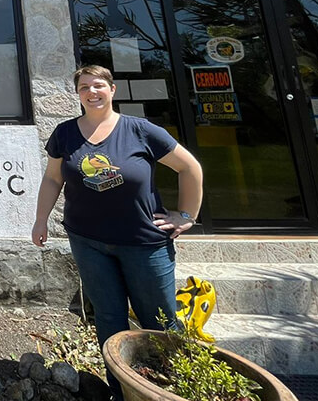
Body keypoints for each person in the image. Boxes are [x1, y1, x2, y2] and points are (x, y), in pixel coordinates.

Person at [32, 64, 202, 400]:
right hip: (88, 242)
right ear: (77, 94)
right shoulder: (65, 133)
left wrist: (187, 215)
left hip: (144, 244)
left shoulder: (140, 130)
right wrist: (40, 220)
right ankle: (121, 391)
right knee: (109, 320)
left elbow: (189, 167)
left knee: (160, 321)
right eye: (84, 87)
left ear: (112, 90)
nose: (91, 92)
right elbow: (53, 179)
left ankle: (172, 390)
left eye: (98, 85)